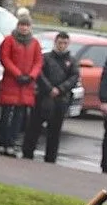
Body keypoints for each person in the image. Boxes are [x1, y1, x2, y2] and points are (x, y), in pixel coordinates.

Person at [22, 31, 79, 163]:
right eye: (60, 42)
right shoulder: (45, 57)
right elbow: (39, 73)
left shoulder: (72, 61)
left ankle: (50, 158)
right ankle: (27, 153)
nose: (62, 45)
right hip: (42, 97)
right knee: (33, 127)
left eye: (65, 43)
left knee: (55, 131)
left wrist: (60, 89)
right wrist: (49, 88)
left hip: (61, 99)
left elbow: (74, 77)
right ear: (55, 42)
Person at [0, 14, 43, 157]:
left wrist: (31, 76)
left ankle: (11, 143)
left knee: (19, 117)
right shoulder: (9, 40)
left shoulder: (35, 43)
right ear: (18, 26)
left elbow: (38, 61)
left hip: (26, 85)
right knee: (5, 115)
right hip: (11, 82)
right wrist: (17, 74)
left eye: (26, 25)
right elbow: (5, 58)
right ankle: (2, 143)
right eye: (22, 25)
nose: (24, 28)